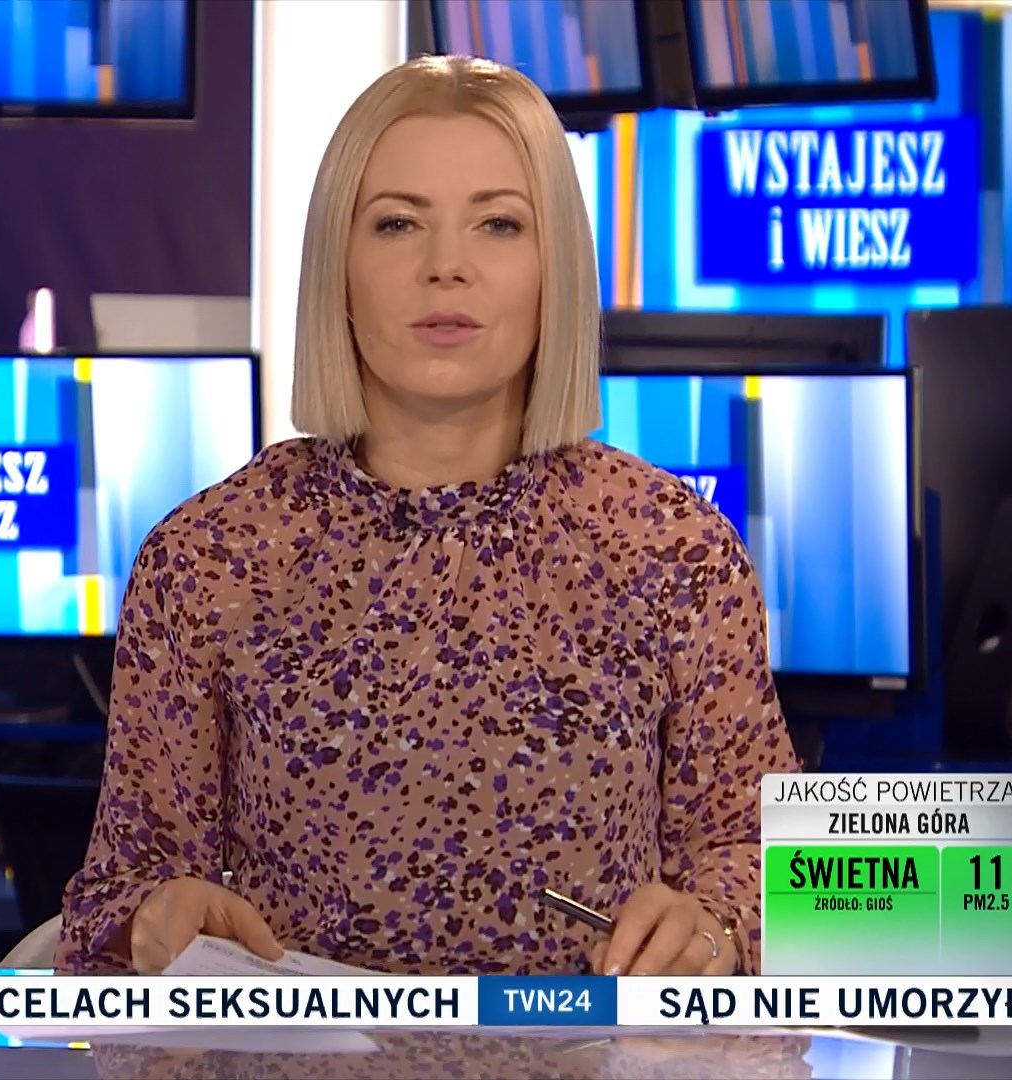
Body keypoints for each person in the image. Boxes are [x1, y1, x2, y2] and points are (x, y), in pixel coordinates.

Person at [58, 55, 799, 978]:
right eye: (398, 223)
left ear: (556, 268)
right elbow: (111, 901)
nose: (446, 266)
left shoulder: (670, 547)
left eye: (499, 223)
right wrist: (155, 918)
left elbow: (770, 862)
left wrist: (715, 925)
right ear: (338, 268)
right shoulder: (210, 557)